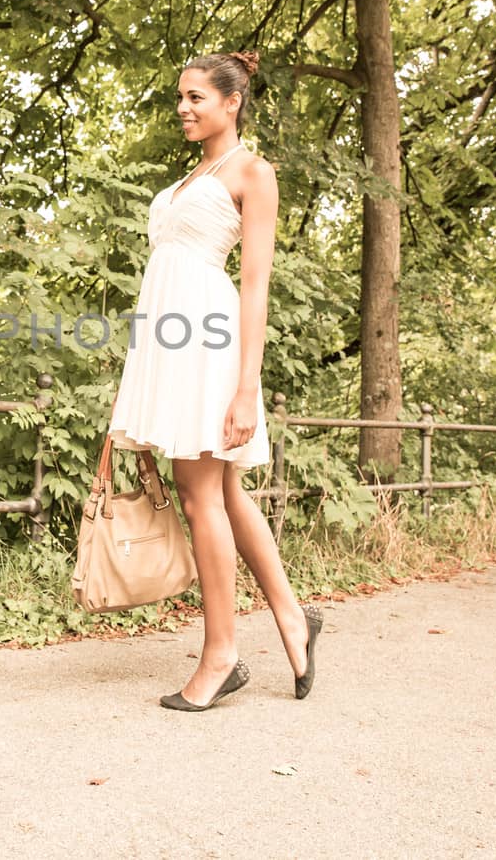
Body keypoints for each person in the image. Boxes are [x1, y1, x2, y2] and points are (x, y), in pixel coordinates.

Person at [106, 50, 323, 711]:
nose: (183, 107)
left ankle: (222, 653)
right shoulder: (187, 178)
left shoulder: (253, 173)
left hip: (210, 342)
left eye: (197, 96)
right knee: (223, 490)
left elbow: (254, 284)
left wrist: (247, 387)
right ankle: (292, 617)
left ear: (232, 102)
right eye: (180, 96)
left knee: (201, 494)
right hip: (170, 343)